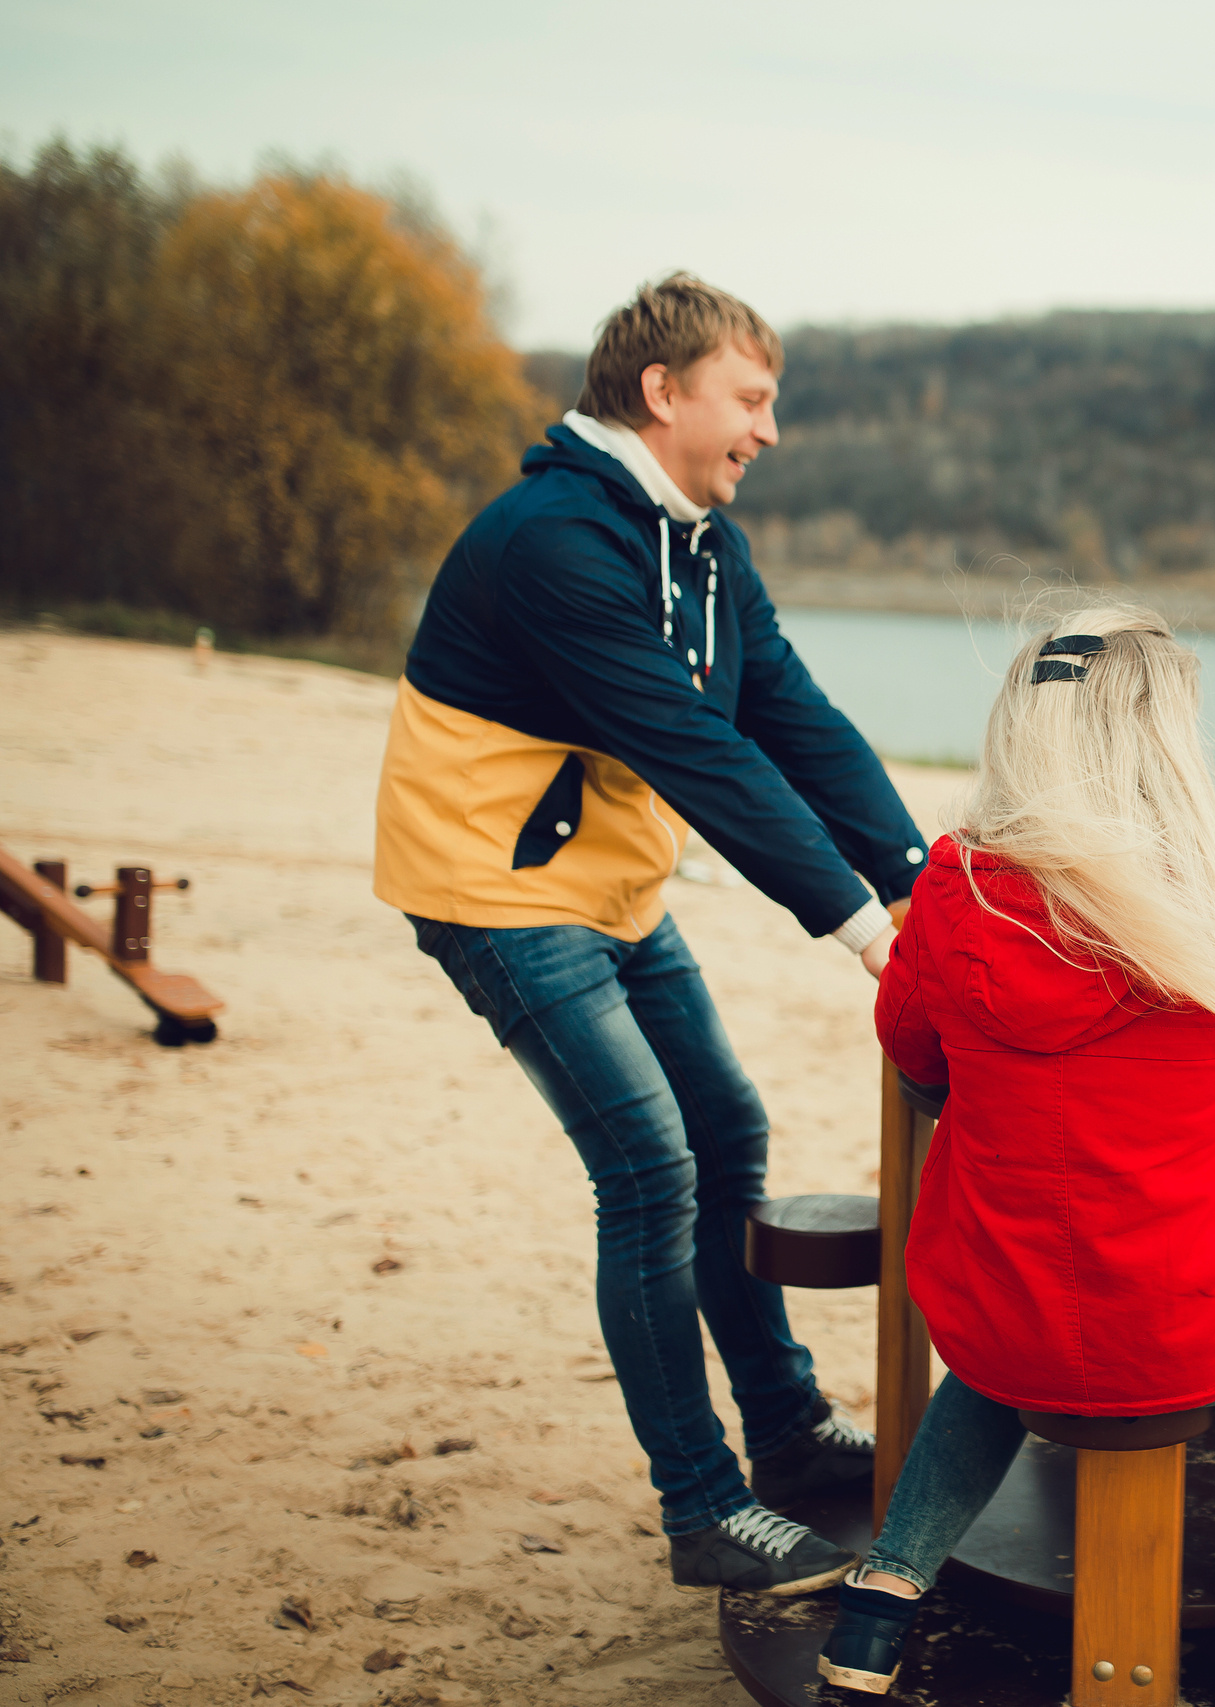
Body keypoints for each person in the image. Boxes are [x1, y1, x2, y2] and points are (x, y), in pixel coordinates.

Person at [375, 274, 926, 1597]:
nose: (769, 430)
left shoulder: (703, 542)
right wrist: (860, 924)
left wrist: (923, 874)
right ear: (660, 390)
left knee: (728, 1132)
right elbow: (691, 747)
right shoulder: (553, 541)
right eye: (751, 397)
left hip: (607, 885)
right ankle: (702, 1501)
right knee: (652, 1161)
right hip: (496, 889)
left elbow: (790, 711)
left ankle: (789, 1438)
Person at [819, 601, 1215, 1707]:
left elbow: (909, 1042)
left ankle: (876, 1608)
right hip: (1193, 1324)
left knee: (1001, 1350)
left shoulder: (953, 889)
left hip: (1004, 1314)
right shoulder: (1208, 901)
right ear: (1164, 747)